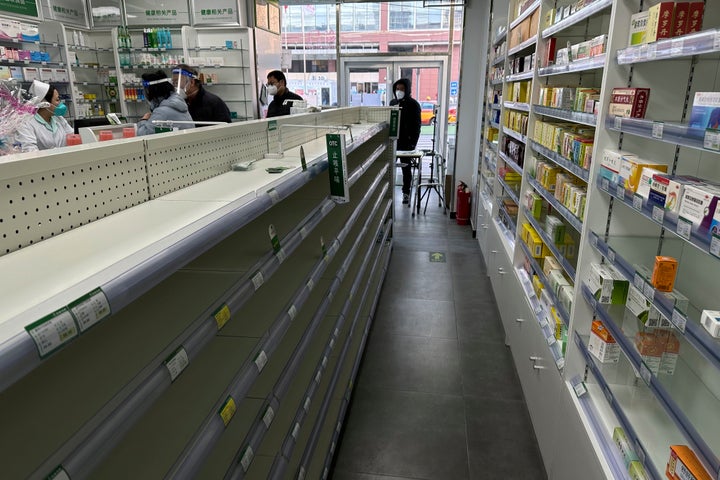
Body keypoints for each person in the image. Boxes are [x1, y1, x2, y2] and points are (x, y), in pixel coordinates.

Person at [15, 80, 73, 152]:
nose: (60, 103)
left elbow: (73, 138)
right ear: (45, 103)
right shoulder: (26, 123)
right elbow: (30, 151)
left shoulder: (59, 119)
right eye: (57, 100)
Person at [390, 78, 422, 204]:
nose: (399, 91)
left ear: (407, 90)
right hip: (393, 142)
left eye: (402, 89)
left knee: (406, 169)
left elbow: (417, 126)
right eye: (397, 89)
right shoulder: (392, 103)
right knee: (389, 169)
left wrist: (413, 143)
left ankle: (406, 193)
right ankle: (388, 193)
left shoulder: (414, 104)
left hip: (407, 144)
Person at [136, 70, 194, 136]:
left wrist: (143, 120)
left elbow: (142, 135)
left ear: (151, 91)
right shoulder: (177, 103)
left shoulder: (161, 112)